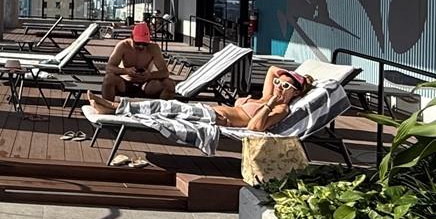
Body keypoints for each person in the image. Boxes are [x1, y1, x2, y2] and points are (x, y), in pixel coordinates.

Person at [89, 65, 314, 132]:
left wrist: (273, 103)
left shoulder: (280, 109)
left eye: (286, 86)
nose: (279, 86)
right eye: (278, 83)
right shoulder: (266, 96)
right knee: (162, 108)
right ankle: (115, 107)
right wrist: (293, 79)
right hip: (208, 111)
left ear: (295, 93)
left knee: (162, 108)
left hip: (214, 119)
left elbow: (255, 127)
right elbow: (272, 70)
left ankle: (114, 107)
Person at [103, 23, 174, 102]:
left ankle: (163, 108)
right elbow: (109, 68)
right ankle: (107, 105)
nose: (141, 46)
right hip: (125, 82)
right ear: (132, 38)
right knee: (109, 79)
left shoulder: (154, 48)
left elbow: (165, 72)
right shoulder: (123, 46)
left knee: (169, 84)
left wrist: (150, 75)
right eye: (137, 43)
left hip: (146, 84)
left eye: (145, 44)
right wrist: (125, 71)